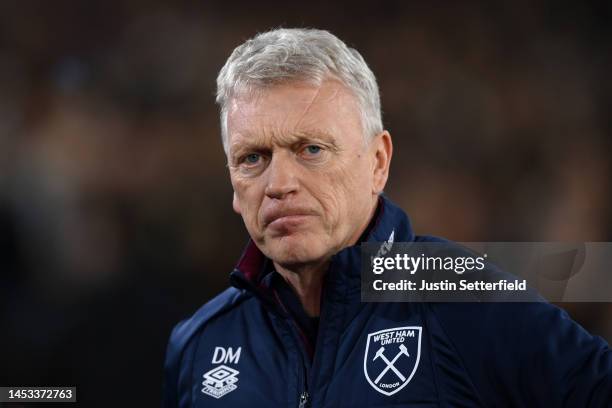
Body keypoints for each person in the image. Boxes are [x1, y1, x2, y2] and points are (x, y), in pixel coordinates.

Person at [163, 28, 612, 407]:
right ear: (233, 185)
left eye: (311, 150)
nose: (279, 183)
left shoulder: (459, 294)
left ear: (377, 162)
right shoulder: (199, 343)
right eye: (253, 158)